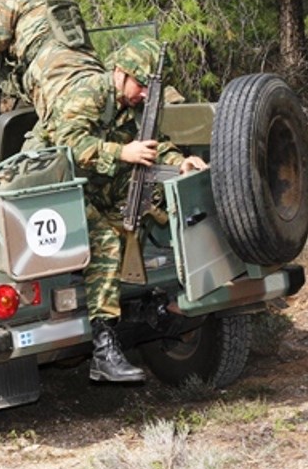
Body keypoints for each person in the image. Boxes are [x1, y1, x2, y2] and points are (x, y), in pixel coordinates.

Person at [29, 35, 208, 382]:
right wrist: (122, 152)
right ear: (120, 73)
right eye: (140, 85)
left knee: (152, 206)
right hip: (61, 188)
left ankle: (153, 302)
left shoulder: (136, 104)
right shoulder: (87, 93)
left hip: (100, 187)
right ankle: (103, 351)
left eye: (150, 89)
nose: (144, 94)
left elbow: (155, 145)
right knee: (107, 243)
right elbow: (70, 144)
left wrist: (180, 163)